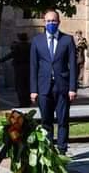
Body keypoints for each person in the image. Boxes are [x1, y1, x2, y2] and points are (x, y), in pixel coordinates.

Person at [29, 9, 77, 154]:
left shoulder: (67, 40)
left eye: (54, 21)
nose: (51, 23)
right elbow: (33, 66)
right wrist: (33, 90)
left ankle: (62, 150)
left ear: (59, 22)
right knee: (46, 121)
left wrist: (72, 88)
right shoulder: (37, 41)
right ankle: (48, 151)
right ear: (44, 22)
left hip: (62, 87)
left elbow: (73, 65)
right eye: (48, 21)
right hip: (44, 87)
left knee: (63, 120)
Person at [0, 32, 32, 107]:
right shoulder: (30, 46)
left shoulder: (17, 46)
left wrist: (1, 60)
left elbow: (11, 54)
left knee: (20, 86)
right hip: (28, 68)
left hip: (19, 68)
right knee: (27, 86)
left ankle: (22, 103)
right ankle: (27, 102)